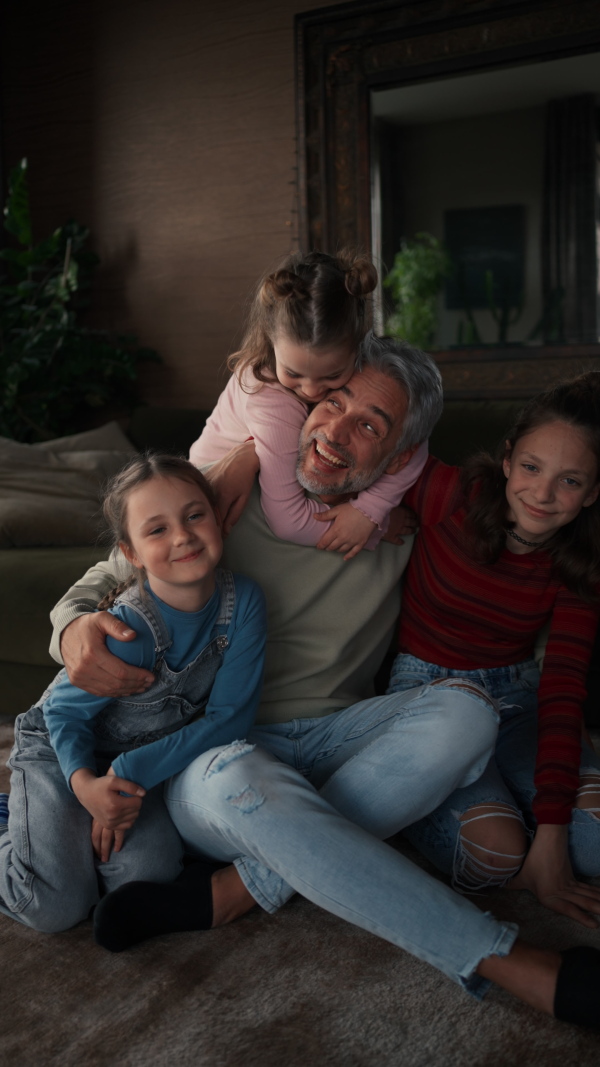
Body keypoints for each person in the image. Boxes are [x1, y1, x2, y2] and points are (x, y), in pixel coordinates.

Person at [49, 336, 600, 1031]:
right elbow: (113, 569)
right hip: (219, 754)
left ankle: (236, 890)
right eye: (331, 403)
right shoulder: (226, 496)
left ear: (401, 459)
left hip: (347, 741)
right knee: (233, 777)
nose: (336, 431)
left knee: (468, 714)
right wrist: (71, 628)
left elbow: (500, 535)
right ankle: (508, 959)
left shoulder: (401, 527)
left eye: (370, 424)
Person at [0, 454, 266, 934]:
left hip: (132, 764)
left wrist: (123, 775)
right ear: (133, 551)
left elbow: (228, 719)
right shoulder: (130, 627)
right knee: (54, 906)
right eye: (157, 529)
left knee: (146, 879)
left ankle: (49, 835)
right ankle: (15, 827)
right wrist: (85, 786)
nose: (182, 536)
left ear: (218, 517)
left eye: (194, 515)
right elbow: (63, 716)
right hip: (60, 752)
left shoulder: (243, 602)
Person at [385, 371, 600, 927]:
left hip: (518, 698)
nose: (544, 494)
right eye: (531, 468)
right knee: (495, 856)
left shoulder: (580, 564)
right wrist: (368, 514)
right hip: (431, 699)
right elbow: (358, 462)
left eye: (571, 480)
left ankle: (528, 817)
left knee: (594, 845)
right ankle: (429, 805)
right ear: (507, 460)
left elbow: (562, 690)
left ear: (594, 491)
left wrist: (553, 833)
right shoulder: (449, 493)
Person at [191, 250, 426, 559]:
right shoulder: (272, 398)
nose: (312, 390)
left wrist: (371, 508)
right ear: (271, 344)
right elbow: (289, 522)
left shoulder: (363, 367)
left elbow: (413, 441)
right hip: (213, 497)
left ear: (355, 350)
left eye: (332, 375)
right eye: (293, 373)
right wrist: (376, 527)